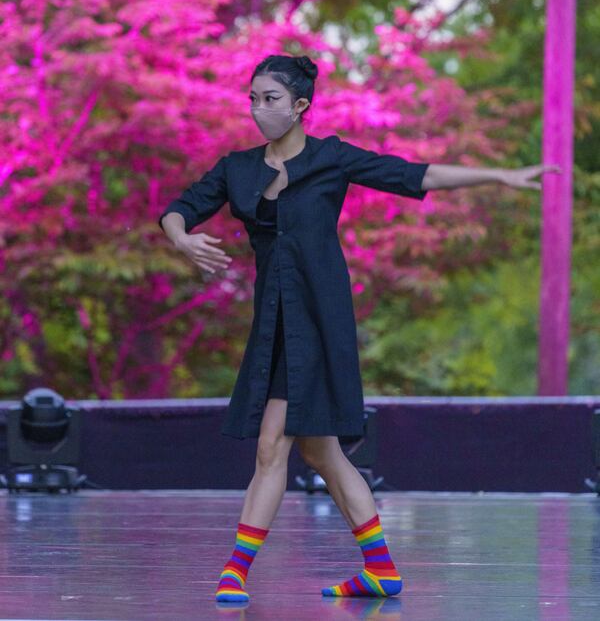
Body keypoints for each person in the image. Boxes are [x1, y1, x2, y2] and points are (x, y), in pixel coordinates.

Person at [158, 54, 561, 602]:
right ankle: (380, 569)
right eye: (252, 98)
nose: (258, 109)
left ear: (300, 106)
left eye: (270, 99)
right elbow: (182, 207)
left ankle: (235, 571)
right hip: (274, 322)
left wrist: (499, 175)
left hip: (320, 320)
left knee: (273, 444)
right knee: (321, 452)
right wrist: (181, 237)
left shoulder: (332, 159)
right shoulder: (238, 168)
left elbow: (416, 175)